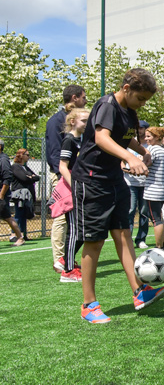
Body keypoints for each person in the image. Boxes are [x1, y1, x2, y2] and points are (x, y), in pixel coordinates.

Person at [71, 68, 164, 323]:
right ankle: (88, 304)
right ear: (126, 88)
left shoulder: (130, 112)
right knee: (94, 241)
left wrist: (143, 150)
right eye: (141, 98)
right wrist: (129, 158)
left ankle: (140, 292)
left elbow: (125, 139)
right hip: (92, 180)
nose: (142, 104)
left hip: (115, 180)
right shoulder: (107, 105)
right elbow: (102, 138)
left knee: (124, 235)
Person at [45, 85, 87, 271]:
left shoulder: (80, 125)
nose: (85, 100)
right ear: (74, 97)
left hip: (76, 176)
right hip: (62, 176)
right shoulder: (56, 121)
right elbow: (55, 153)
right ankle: (60, 260)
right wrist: (62, 177)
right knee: (62, 218)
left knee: (75, 219)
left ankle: (68, 258)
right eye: (83, 97)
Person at [57, 104, 89, 282]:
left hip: (80, 188)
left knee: (81, 230)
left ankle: (66, 260)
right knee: (74, 230)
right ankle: (68, 270)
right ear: (72, 121)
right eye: (83, 120)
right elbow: (63, 167)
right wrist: (74, 187)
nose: (86, 123)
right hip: (71, 190)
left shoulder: (82, 140)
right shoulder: (69, 140)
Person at [141, 127, 164, 249]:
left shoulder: (152, 150)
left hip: (153, 191)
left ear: (157, 137)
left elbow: (146, 165)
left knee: (156, 219)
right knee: (156, 215)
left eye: (149, 136)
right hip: (163, 190)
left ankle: (159, 247)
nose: (146, 139)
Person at [126, 120, 150, 249]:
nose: (139, 130)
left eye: (141, 128)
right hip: (130, 183)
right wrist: (125, 168)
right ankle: (128, 240)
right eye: (137, 128)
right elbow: (121, 160)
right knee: (130, 210)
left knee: (144, 212)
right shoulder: (130, 143)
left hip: (146, 184)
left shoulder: (150, 146)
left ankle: (141, 239)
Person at [10, 148, 40, 244]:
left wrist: (30, 177)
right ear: (21, 155)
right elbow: (23, 178)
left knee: (23, 214)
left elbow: (37, 177)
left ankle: (22, 234)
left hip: (27, 194)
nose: (29, 156)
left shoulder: (25, 167)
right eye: (27, 155)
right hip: (19, 194)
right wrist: (30, 177)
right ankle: (13, 235)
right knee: (18, 213)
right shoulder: (15, 167)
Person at [0, 140, 25, 245]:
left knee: (7, 217)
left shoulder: (3, 159)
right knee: (7, 217)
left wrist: (1, 195)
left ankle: (20, 237)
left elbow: (7, 178)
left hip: (1, 193)